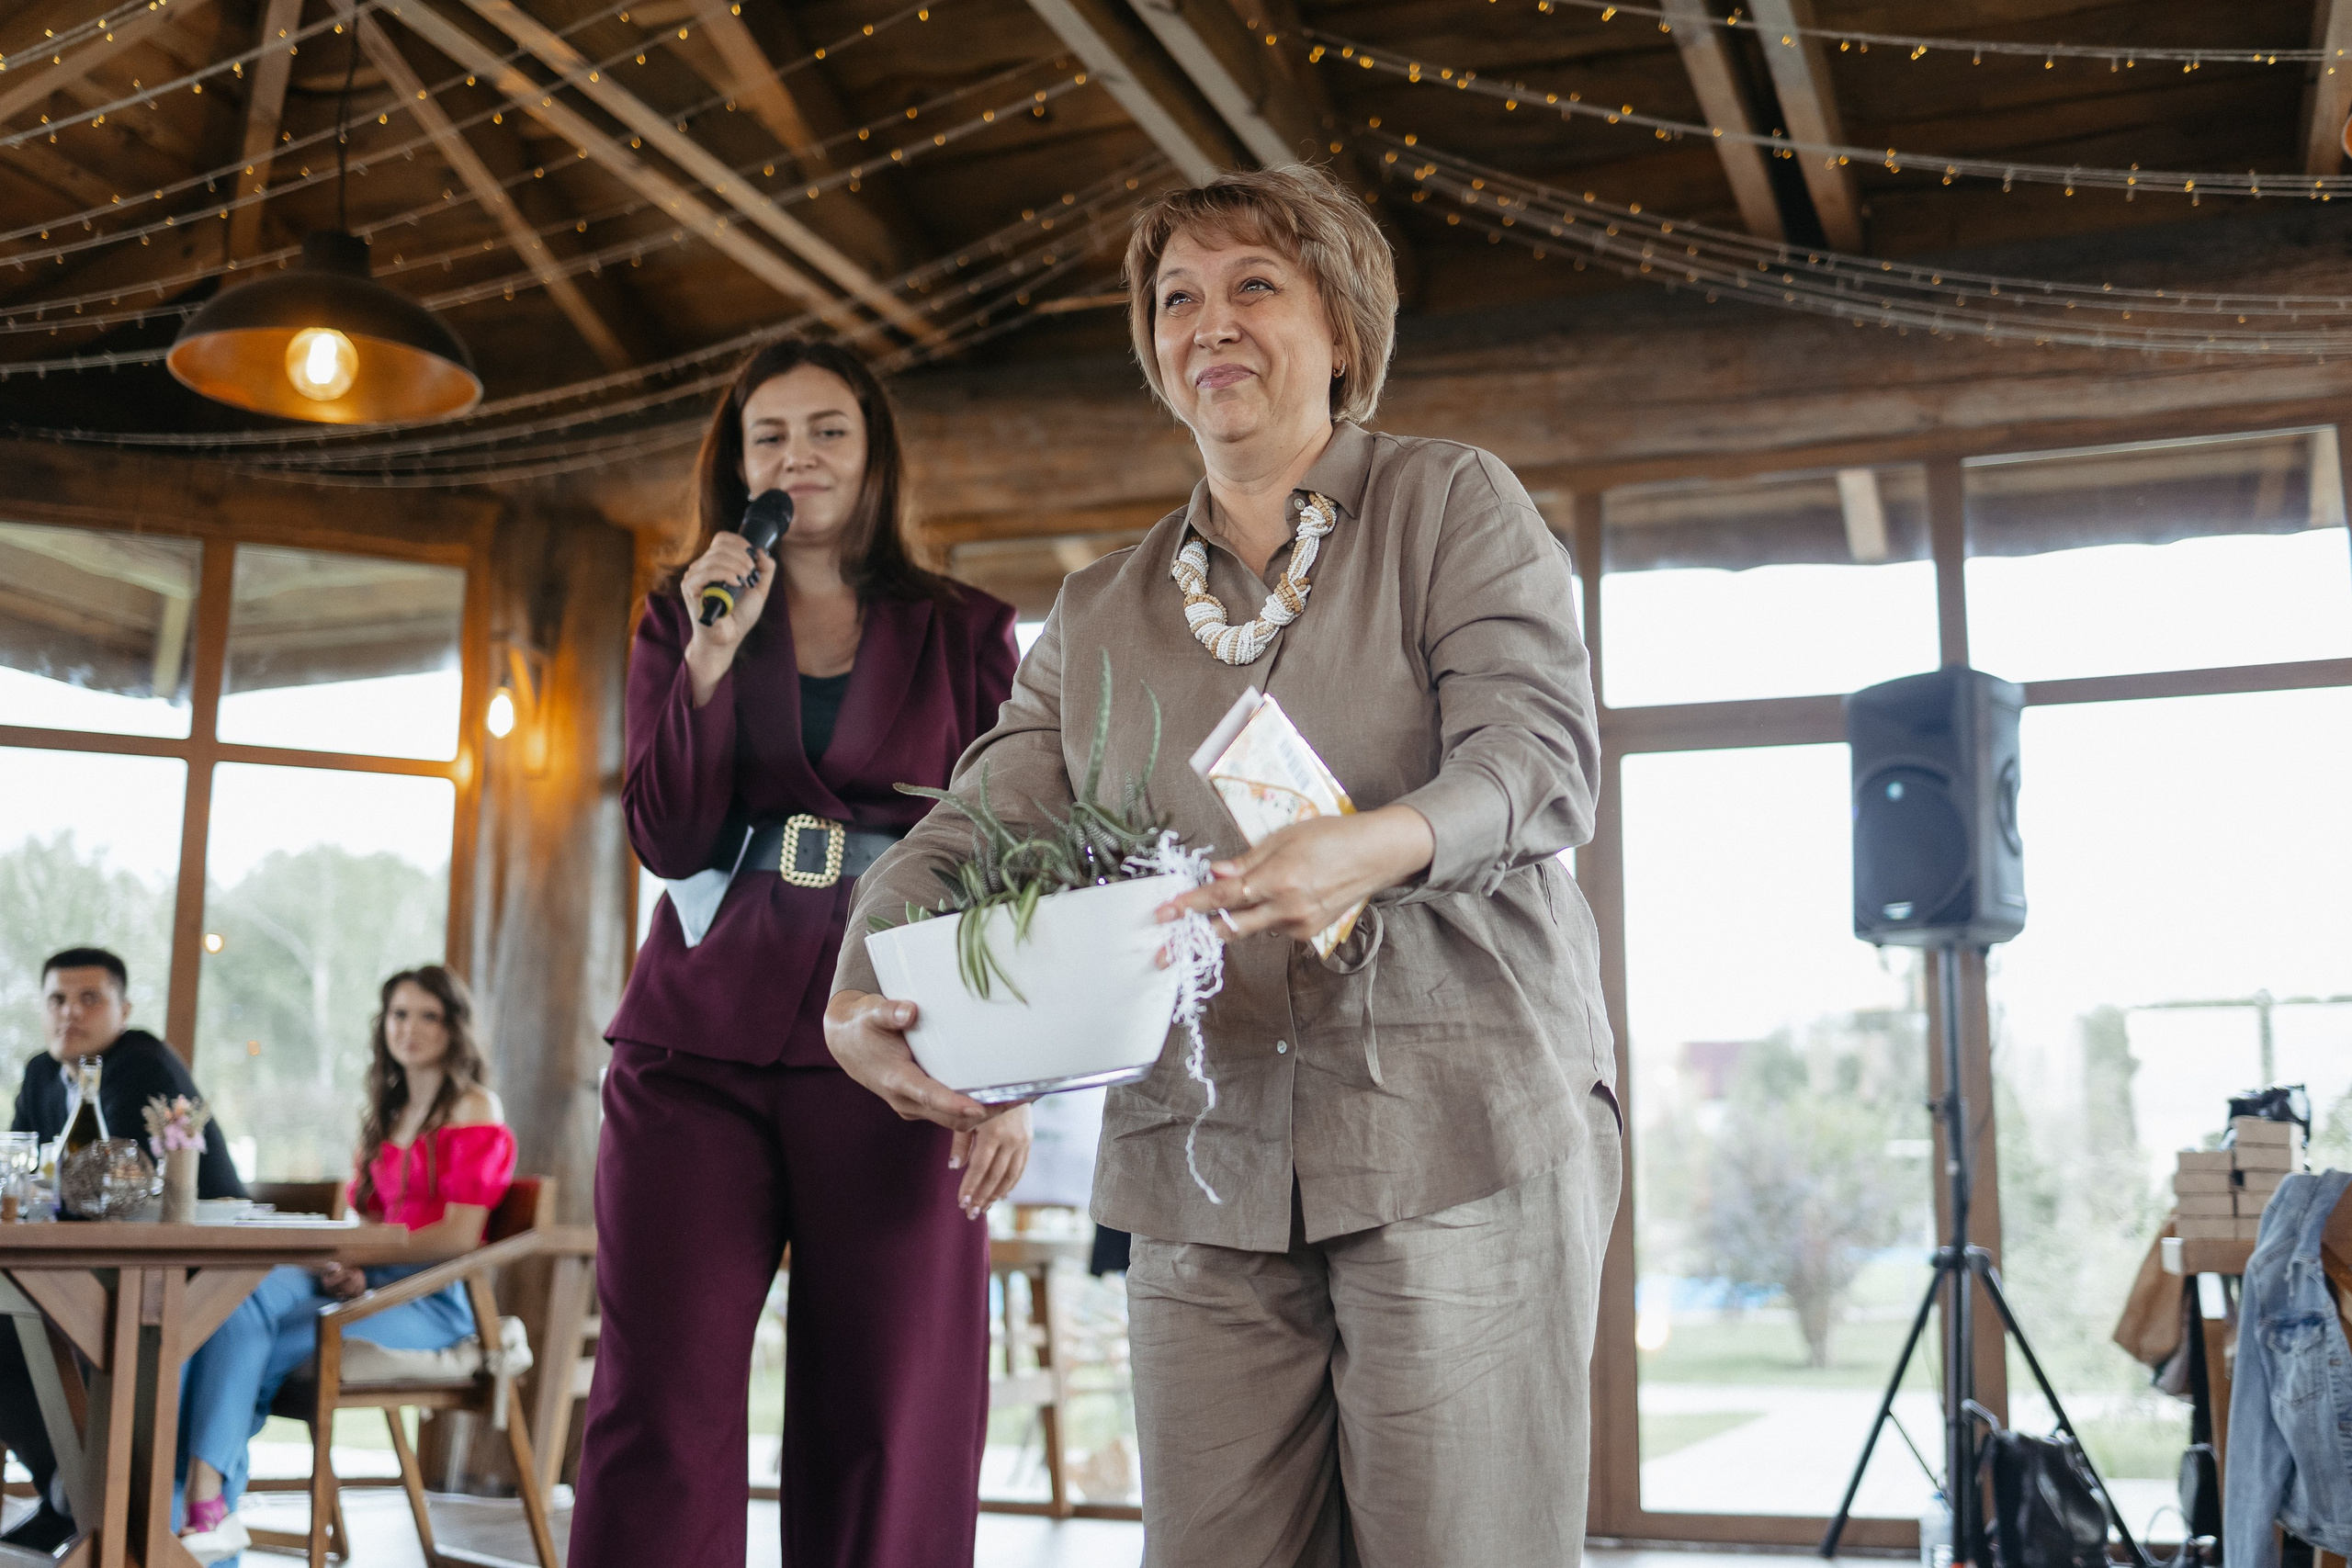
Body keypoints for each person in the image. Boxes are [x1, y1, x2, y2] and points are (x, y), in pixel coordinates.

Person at [827, 164, 1621, 1568]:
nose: (1212, 322)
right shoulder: (1099, 609)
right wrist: (861, 982)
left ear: (1341, 330)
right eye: (1178, 297)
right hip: (1199, 1150)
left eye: (1256, 283)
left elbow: (1540, 760)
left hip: (1459, 1118)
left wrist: (1377, 846)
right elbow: (968, 823)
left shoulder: (1452, 504)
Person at [571, 339, 1029, 1567]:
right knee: (659, 1400)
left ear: (872, 451)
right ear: (738, 465)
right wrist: (710, 658)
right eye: (769, 435)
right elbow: (666, 834)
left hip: (902, 1043)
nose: (798, 455)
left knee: (890, 1409)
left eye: (827, 428)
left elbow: (1010, 857)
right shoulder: (680, 615)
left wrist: (1013, 1076)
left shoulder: (968, 630)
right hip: (694, 1042)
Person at [172, 964, 513, 1562]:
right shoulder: (389, 1110)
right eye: (399, 1014)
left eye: (427, 1015)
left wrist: (362, 1252)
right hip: (368, 1285)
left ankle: (200, 1514)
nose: (409, 1028)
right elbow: (368, 1221)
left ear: (454, 1027)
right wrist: (352, 1263)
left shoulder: (474, 1105)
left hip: (431, 1301)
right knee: (229, 1308)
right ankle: (199, 1516)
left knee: (238, 1346)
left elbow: (458, 1235)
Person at [0, 947, 249, 1551]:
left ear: (124, 1007)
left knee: (28, 1322)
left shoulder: (139, 1063)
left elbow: (114, 1181)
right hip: (88, 1260)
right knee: (9, 1322)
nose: (71, 1013)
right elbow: (23, 1167)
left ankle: (96, 1504)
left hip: (184, 1265)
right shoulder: (40, 1072)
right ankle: (71, 1493)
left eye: (90, 998)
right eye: (58, 999)